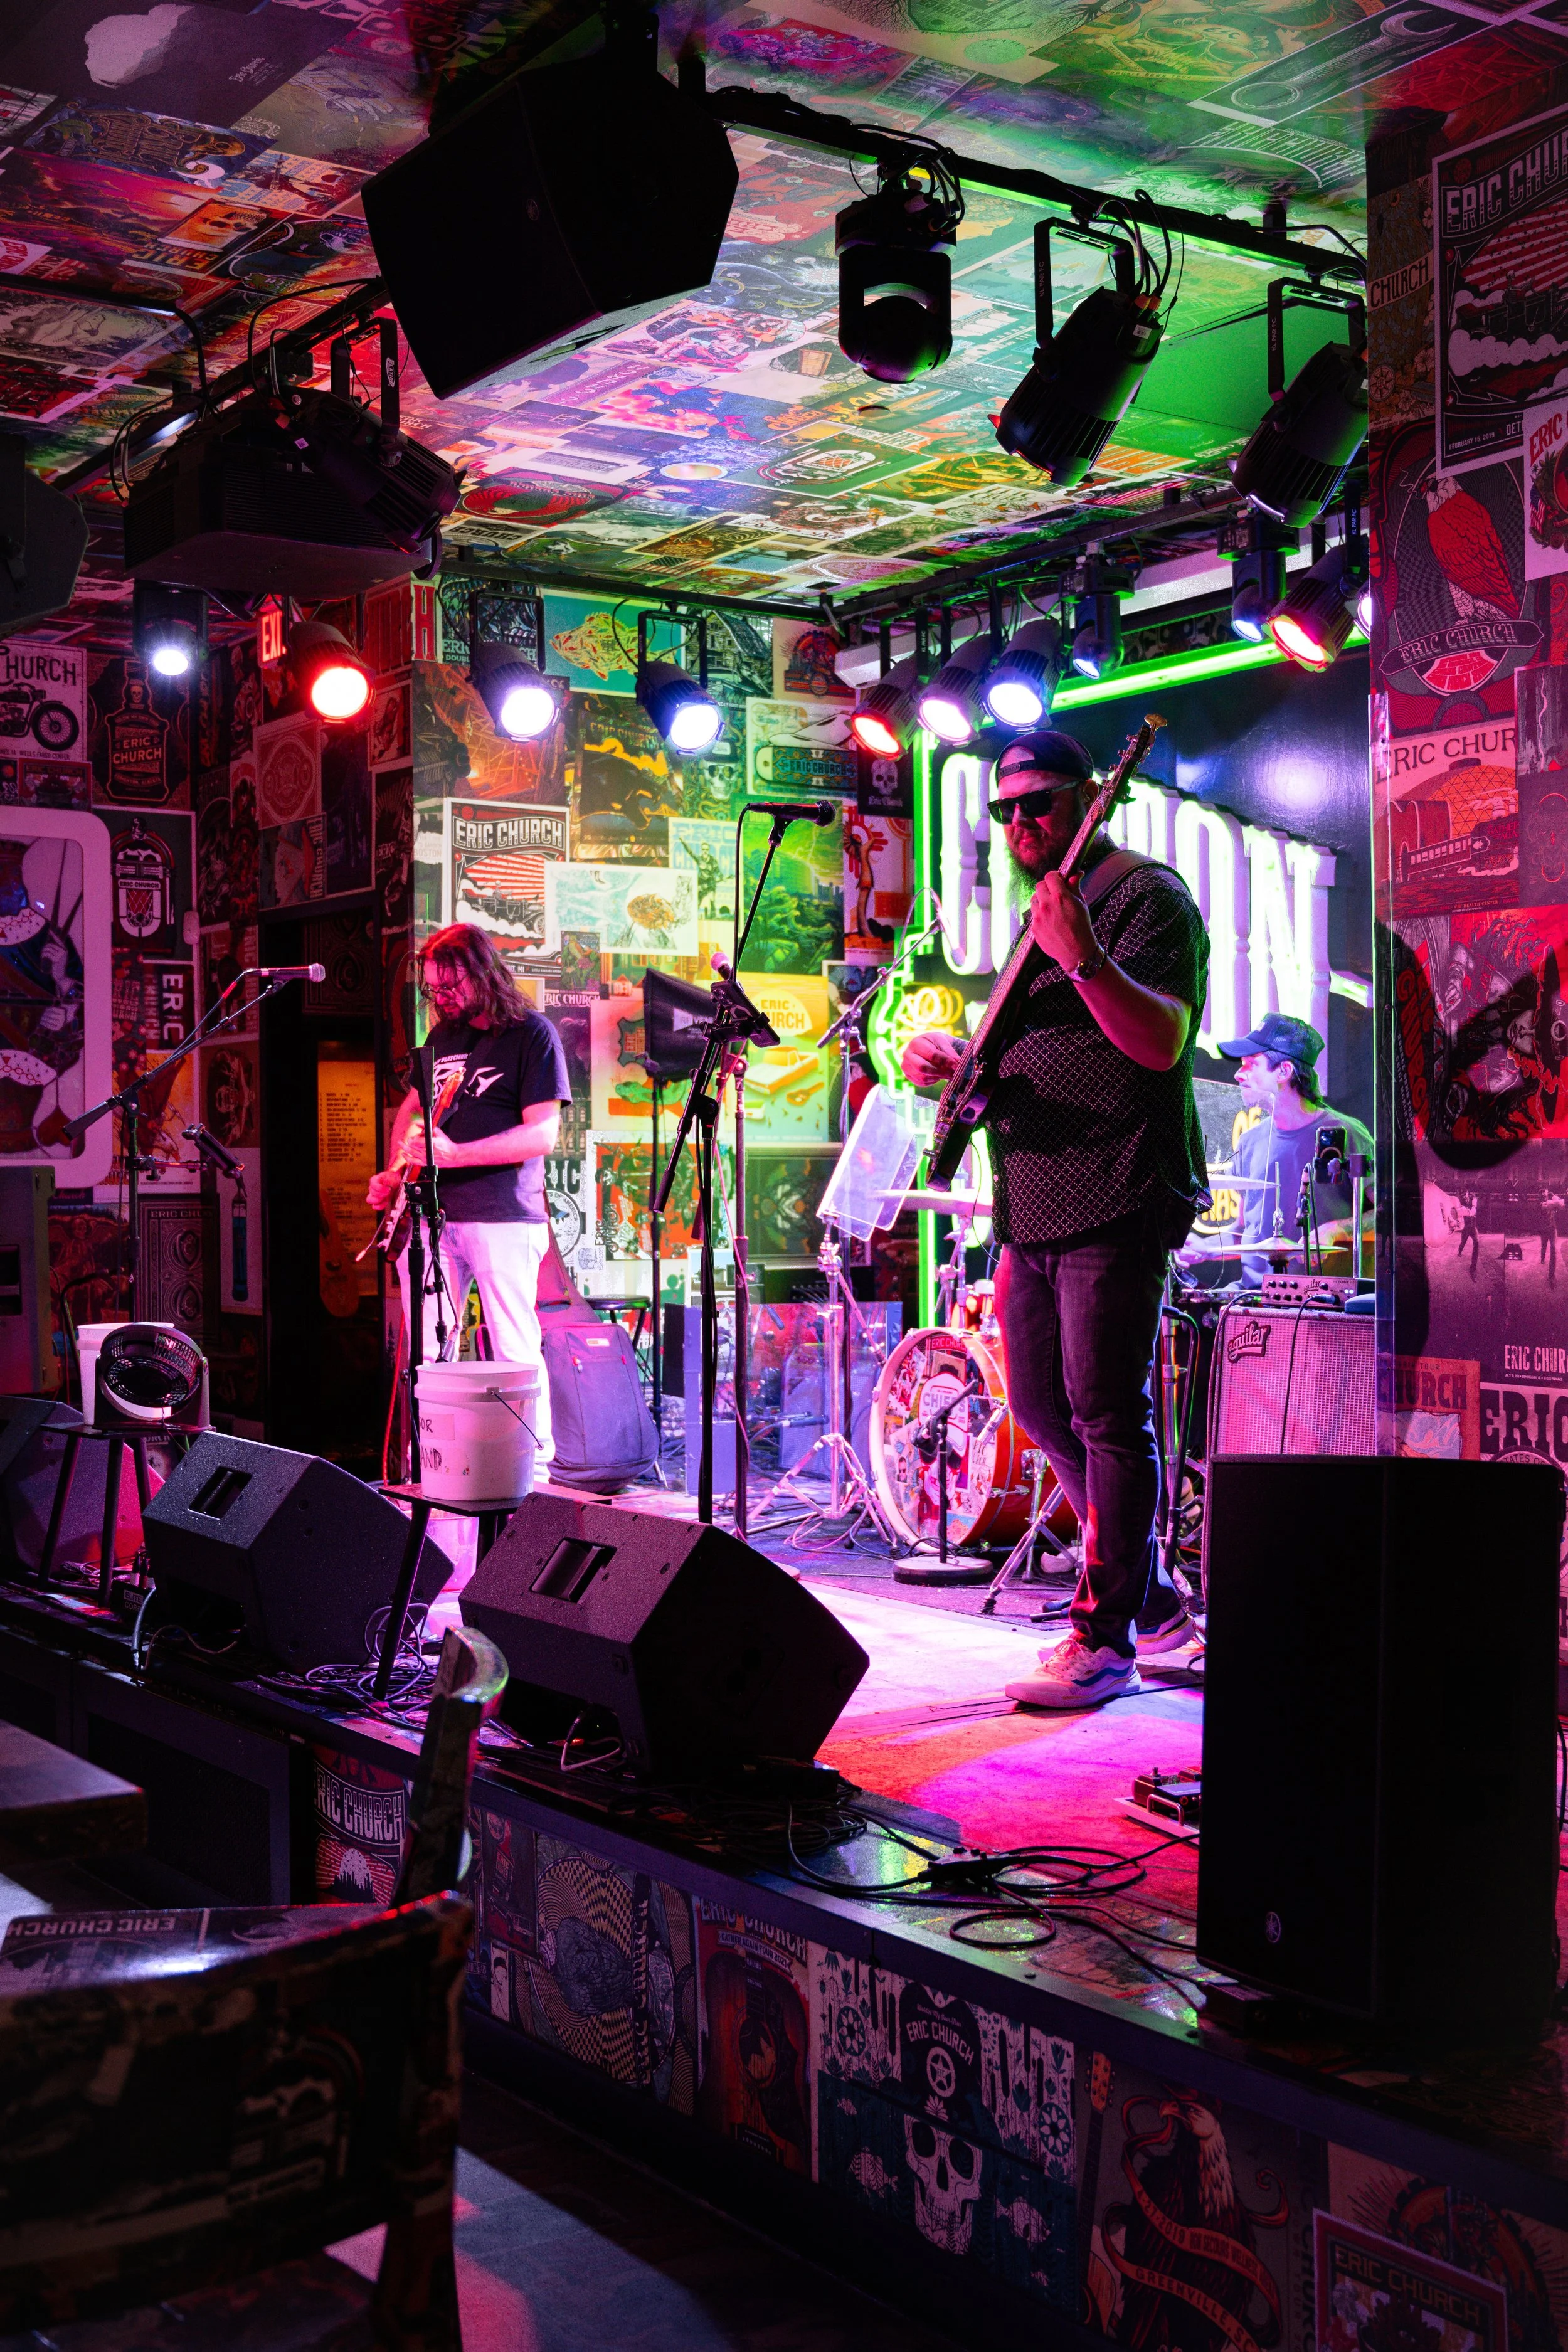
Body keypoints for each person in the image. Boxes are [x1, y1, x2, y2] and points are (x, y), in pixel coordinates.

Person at [901, 728, 1210, 1711]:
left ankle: (1105, 1638)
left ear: (1091, 798)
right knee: (1038, 1405)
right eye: (1006, 810)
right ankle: (1148, 1599)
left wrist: (1083, 957)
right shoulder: (1040, 912)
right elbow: (1041, 1056)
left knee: (1110, 1414)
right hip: (1031, 1196)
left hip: (1117, 1185)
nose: (1021, 822)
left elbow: (1159, 1040)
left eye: (1040, 801)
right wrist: (961, 1066)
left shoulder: (1141, 896)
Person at [368, 923, 571, 1471]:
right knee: (428, 1349)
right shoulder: (444, 1037)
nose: (443, 998)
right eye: (434, 989)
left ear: (484, 974)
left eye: (451, 986)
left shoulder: (532, 1035)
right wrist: (395, 1172)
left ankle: (533, 1469)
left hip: (502, 1215)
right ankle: (435, 1464)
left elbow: (542, 1135)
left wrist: (456, 1156)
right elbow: (413, 1111)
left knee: (513, 1344)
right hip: (431, 1217)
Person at [1204, 1014, 1373, 1286]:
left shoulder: (1346, 1134)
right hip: (1254, 1295)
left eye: (1251, 1064)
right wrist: (1204, 1247)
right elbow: (1245, 1230)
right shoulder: (1250, 1141)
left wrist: (1337, 1229)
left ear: (1283, 1071)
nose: (1238, 1074)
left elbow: (1388, 1216)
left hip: (1322, 1298)